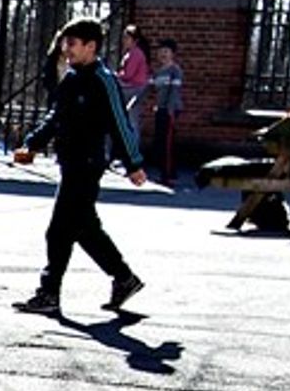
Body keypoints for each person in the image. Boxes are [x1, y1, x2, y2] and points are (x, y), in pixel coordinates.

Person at [10, 18, 148, 317]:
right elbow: (56, 116)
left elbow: (119, 123)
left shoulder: (103, 79)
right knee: (85, 229)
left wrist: (133, 163)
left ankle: (49, 293)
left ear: (91, 46)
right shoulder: (73, 78)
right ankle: (124, 278)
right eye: (64, 43)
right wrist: (32, 144)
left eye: (72, 43)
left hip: (87, 165)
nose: (65, 49)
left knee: (59, 230)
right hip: (70, 163)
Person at [145, 37, 184, 184]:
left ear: (172, 54)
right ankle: (166, 172)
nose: (163, 54)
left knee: (167, 143)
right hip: (161, 109)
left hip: (170, 110)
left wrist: (170, 109)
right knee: (161, 142)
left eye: (166, 51)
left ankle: (168, 175)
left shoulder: (175, 71)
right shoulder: (159, 72)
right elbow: (151, 87)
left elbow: (174, 92)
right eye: (160, 51)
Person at [115, 23, 151, 121]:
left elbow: (128, 75)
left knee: (132, 116)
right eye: (123, 38)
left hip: (135, 88)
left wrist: (116, 76)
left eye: (127, 38)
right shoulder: (130, 53)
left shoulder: (135, 54)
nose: (124, 41)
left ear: (135, 40)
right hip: (134, 87)